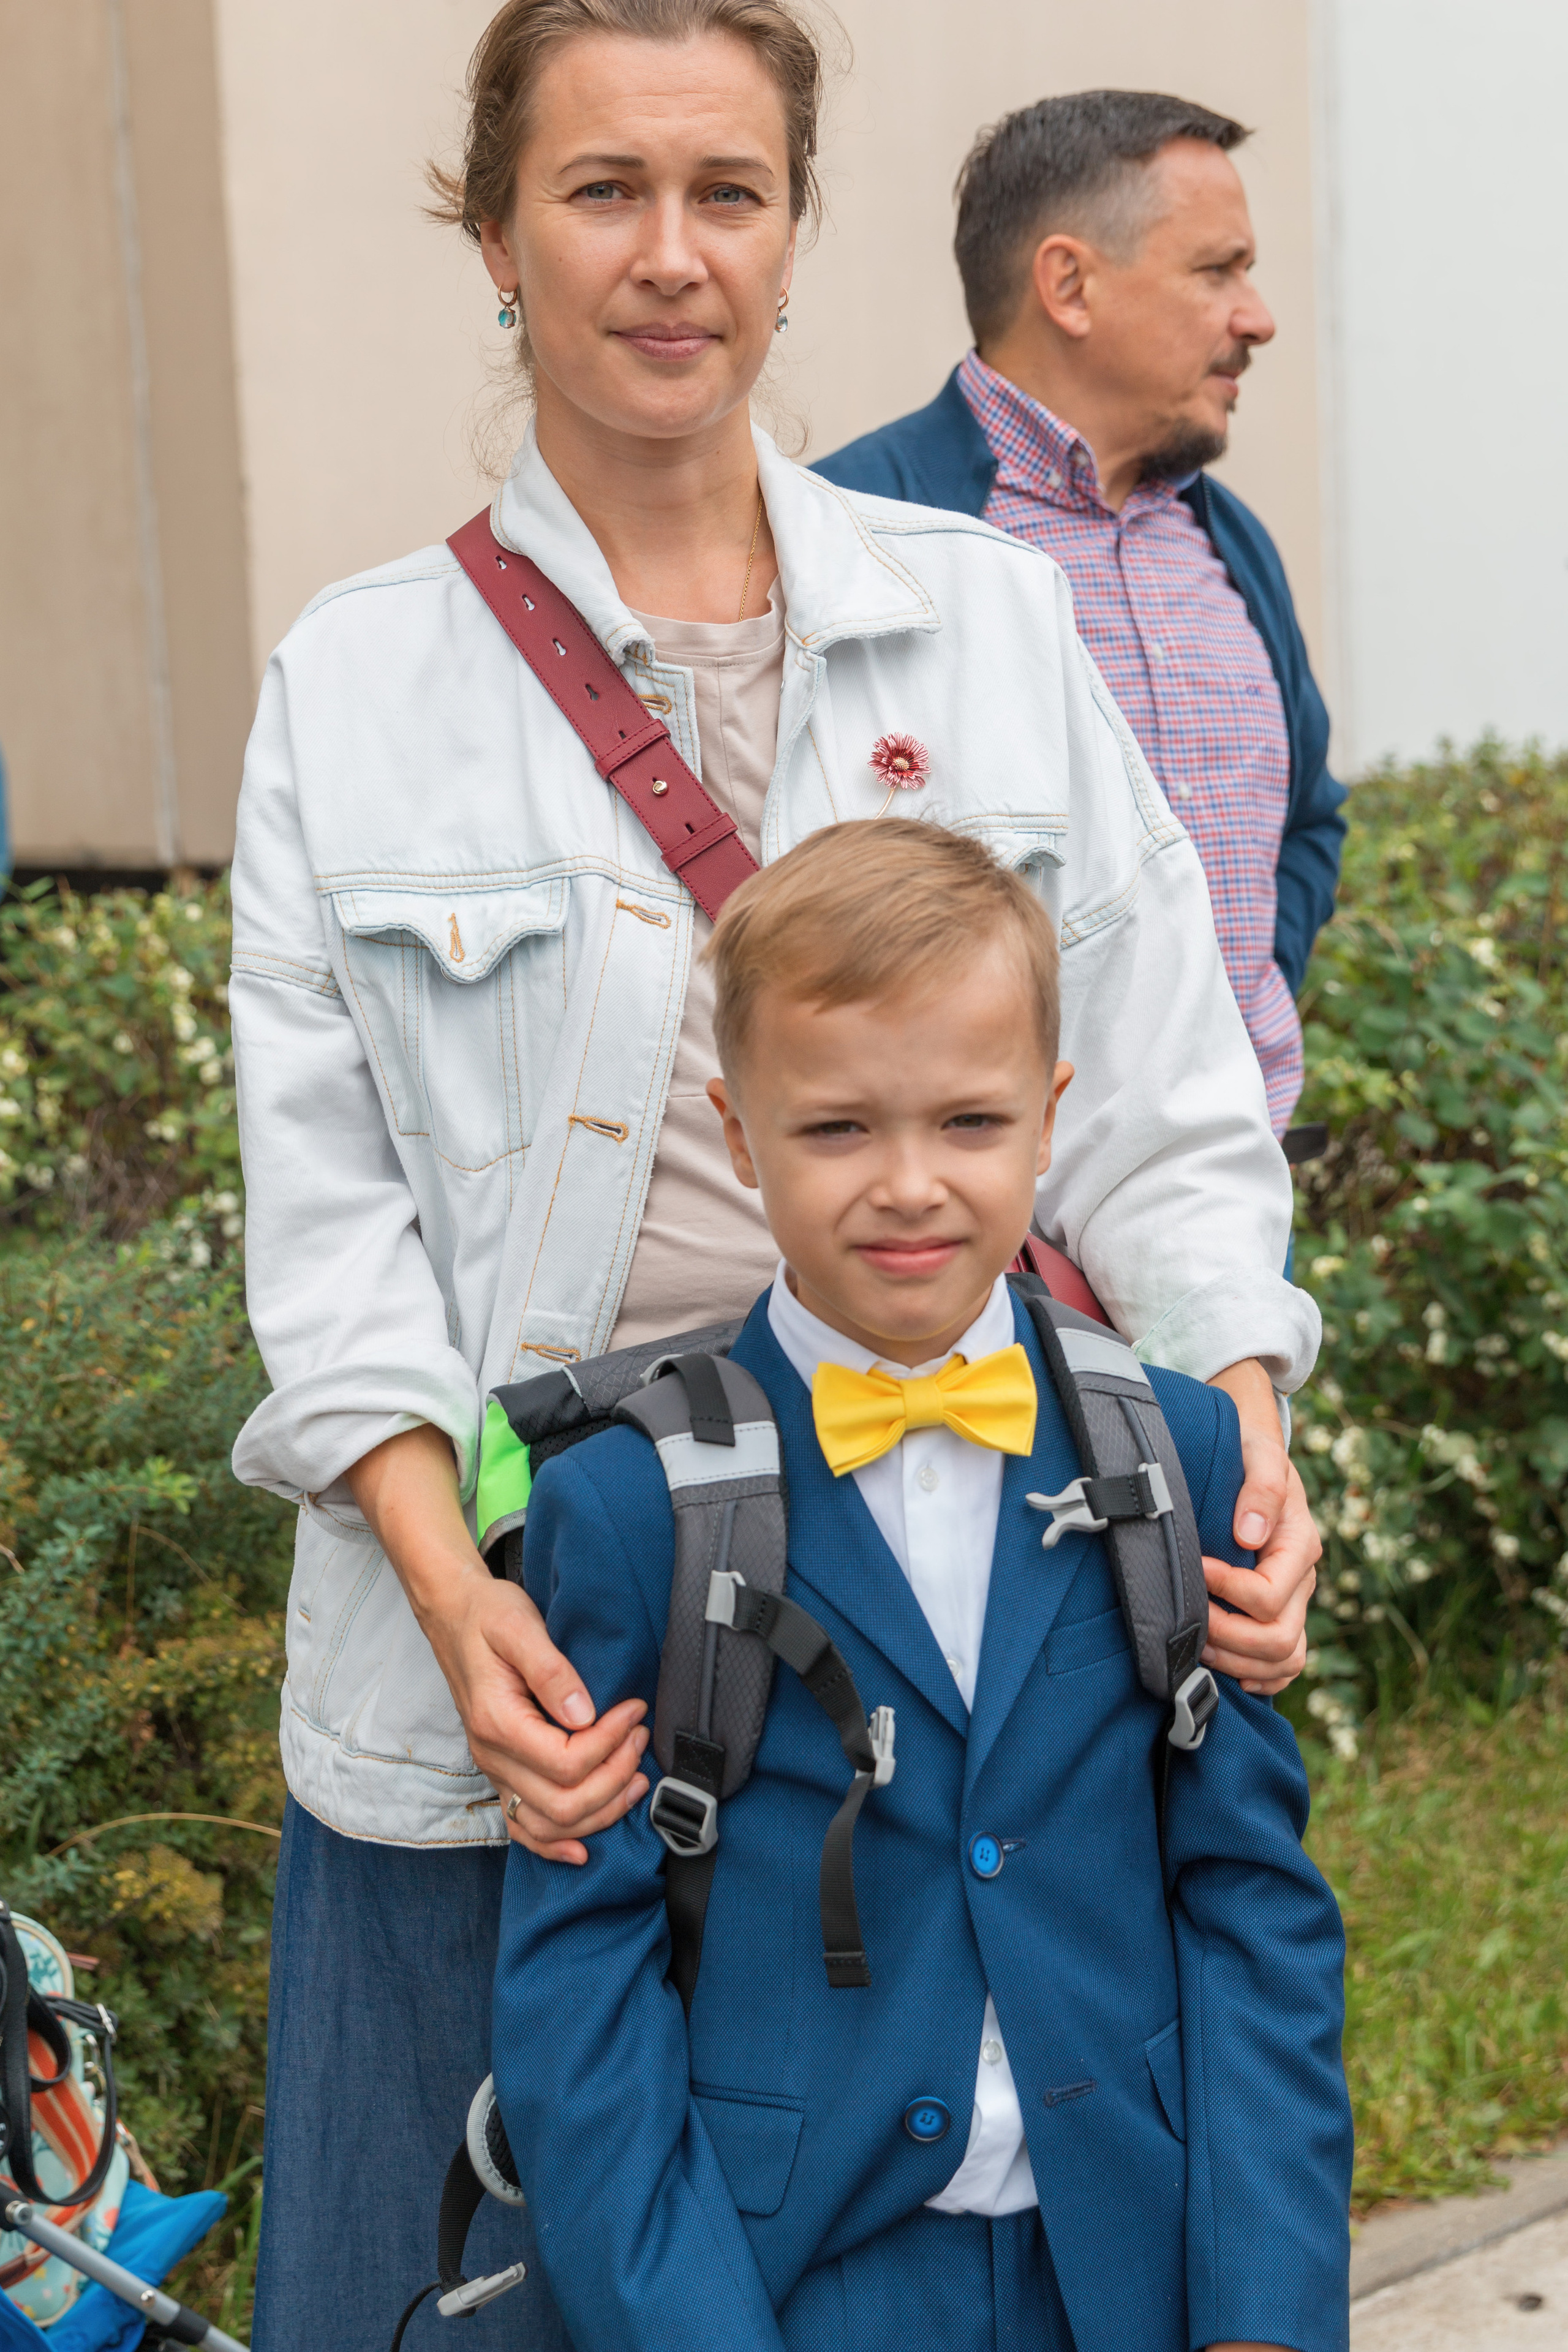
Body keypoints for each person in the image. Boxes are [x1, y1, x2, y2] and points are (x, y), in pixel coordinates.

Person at [227, 8, 1324, 2343]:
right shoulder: (360, 683)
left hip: (969, 1632)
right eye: (602, 190)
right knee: (468, 2294)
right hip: (547, 1670)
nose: (668, 256)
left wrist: (1253, 1437)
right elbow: (330, 1240)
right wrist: (461, 1598)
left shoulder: (988, 622)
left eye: (727, 193)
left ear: (798, 233)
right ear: (495, 232)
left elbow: (1160, 1091)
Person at [493, 818, 1352, 2352]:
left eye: (968, 1123)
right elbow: (584, 1989)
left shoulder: (1184, 1447)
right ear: (737, 1134)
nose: (908, 1186)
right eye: (834, 1131)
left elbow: (1250, 1912)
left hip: (1136, 2271)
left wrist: (1262, 2309)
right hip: (791, 2284)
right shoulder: (625, 1507)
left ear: (1049, 1123)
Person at [815, 90, 1347, 1140]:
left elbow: (1308, 822)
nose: (1258, 317)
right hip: (975, 1247)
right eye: (1217, 270)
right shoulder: (851, 534)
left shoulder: (1232, 546)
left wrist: (1237, 996)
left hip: (1239, 1200)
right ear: (1068, 284)